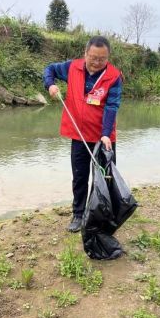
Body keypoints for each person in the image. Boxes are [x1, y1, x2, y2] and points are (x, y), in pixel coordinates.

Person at [43, 36, 123, 232]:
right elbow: (50, 69)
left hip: (103, 139)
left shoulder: (114, 76)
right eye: (93, 57)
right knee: (80, 176)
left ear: (108, 57)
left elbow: (112, 106)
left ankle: (99, 214)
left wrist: (105, 133)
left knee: (104, 178)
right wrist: (50, 84)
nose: (96, 63)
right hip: (78, 135)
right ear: (85, 54)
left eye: (102, 59)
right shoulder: (72, 68)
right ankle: (78, 214)